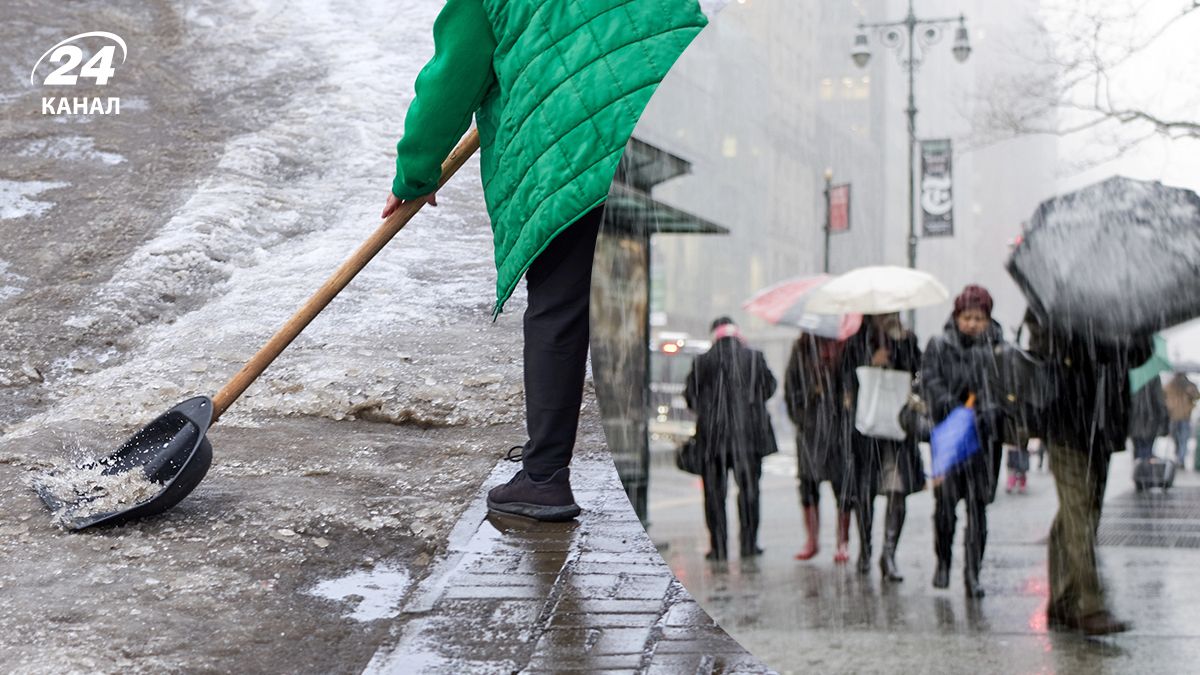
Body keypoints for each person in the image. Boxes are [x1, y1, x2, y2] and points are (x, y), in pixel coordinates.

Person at [383, 1, 707, 522]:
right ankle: (693, 465)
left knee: (561, 308)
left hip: (570, 153)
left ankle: (544, 478)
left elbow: (452, 78)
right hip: (661, 138)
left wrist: (414, 175)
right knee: (638, 307)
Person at [1025, 311, 1153, 635]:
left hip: (1104, 421)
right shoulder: (1053, 298)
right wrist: (1082, 334)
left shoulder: (1123, 301)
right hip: (1066, 418)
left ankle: (1062, 602)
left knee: (1084, 510)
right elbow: (1041, 347)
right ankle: (1088, 604)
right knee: (1079, 511)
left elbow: (1140, 354)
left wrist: (1124, 333)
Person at [921, 285, 1006, 598]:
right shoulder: (939, 345)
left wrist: (985, 411)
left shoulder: (998, 349)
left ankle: (973, 574)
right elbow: (930, 381)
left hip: (984, 442)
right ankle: (943, 561)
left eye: (978, 318)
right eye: (967, 317)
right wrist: (954, 409)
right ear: (957, 317)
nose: (972, 324)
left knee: (977, 508)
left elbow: (1003, 389)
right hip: (949, 437)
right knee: (944, 507)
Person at [839, 313, 925, 580]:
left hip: (898, 432)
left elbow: (918, 372)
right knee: (864, 495)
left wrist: (900, 346)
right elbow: (844, 382)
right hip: (866, 433)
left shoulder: (907, 339)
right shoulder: (855, 342)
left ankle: (889, 555)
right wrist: (870, 362)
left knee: (896, 492)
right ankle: (866, 549)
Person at [685, 317, 779, 561]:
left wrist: (709, 412)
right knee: (749, 492)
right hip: (748, 440)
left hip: (712, 440)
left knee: (715, 496)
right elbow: (770, 388)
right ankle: (749, 544)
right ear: (737, 334)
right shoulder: (755, 358)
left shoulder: (703, 361)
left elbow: (690, 397)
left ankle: (719, 548)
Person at [784, 333, 852, 563]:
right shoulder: (801, 348)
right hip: (810, 429)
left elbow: (852, 382)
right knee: (808, 484)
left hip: (838, 428)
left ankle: (843, 541)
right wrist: (804, 413)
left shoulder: (845, 345)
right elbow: (790, 388)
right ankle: (812, 540)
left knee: (842, 486)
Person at [1129, 379, 1169, 462]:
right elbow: (1159, 401)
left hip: (1134, 421)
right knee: (1146, 453)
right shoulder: (1153, 376)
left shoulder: (1133, 374)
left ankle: (1139, 470)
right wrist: (1164, 420)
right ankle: (1143, 472)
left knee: (1138, 453)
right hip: (1150, 422)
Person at [1165, 373, 1200, 467]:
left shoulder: (1188, 384)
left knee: (1182, 438)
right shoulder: (1171, 384)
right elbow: (1164, 395)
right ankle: (1179, 457)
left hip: (1183, 416)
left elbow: (1197, 396)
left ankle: (1180, 458)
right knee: (1178, 438)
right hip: (1176, 416)